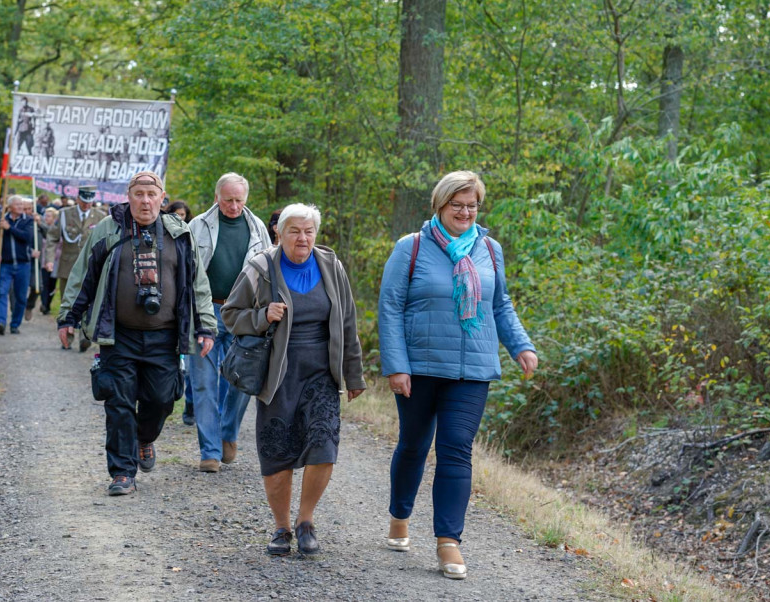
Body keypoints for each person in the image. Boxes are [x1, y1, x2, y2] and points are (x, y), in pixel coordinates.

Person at [378, 170, 537, 579]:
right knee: (414, 445)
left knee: (455, 448)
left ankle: (448, 542)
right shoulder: (411, 247)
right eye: (457, 204)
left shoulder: (490, 249)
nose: (465, 211)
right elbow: (391, 306)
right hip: (421, 367)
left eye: (472, 205)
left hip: (472, 369)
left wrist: (521, 344)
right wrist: (396, 364)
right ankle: (400, 515)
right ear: (440, 205)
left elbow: (499, 304)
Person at [57, 171, 216, 496]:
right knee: (118, 402)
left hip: (165, 337)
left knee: (161, 399)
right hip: (119, 335)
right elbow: (82, 273)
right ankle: (122, 472)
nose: (145, 200)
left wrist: (206, 326)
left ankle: (144, 438)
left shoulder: (178, 232)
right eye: (139, 194)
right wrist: (67, 318)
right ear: (128, 196)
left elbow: (197, 283)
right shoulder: (108, 229)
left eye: (151, 194)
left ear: (162, 198)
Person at [222, 203, 365, 556]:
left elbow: (347, 322)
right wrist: (261, 316)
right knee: (277, 451)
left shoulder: (331, 265)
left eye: (308, 231)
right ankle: (281, 527)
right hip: (278, 373)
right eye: (294, 231)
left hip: (322, 372)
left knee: (324, 447)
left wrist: (354, 372)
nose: (302, 238)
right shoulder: (261, 268)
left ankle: (306, 522)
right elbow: (229, 315)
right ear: (279, 233)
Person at [187, 173, 271, 472]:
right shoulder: (197, 226)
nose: (234, 206)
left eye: (239, 200)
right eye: (228, 200)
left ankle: (228, 433)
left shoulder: (258, 228)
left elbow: (267, 273)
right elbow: (186, 272)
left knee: (243, 380)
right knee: (204, 384)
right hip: (206, 312)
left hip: (243, 314)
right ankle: (209, 450)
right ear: (217, 197)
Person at [44, 185, 107, 351]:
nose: (86, 204)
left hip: (91, 268)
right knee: (68, 300)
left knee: (89, 301)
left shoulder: (101, 217)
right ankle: (68, 334)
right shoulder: (65, 214)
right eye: (84, 201)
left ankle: (84, 336)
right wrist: (50, 260)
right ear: (78, 198)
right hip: (68, 266)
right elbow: (52, 238)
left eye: (89, 201)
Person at [0, 195, 36, 335]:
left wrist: (9, 228)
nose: (20, 206)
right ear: (10, 207)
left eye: (21, 204)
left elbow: (27, 237)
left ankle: (15, 324)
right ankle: (0, 322)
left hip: (23, 265)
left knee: (20, 296)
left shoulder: (28, 221)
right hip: (5, 265)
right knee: (2, 292)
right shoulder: (2, 221)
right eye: (17, 204)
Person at [167, 198, 196, 424]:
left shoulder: (190, 236)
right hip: (170, 313)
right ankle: (188, 403)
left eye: (183, 215)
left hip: (189, 307)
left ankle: (191, 403)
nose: (179, 218)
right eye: (175, 214)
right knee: (185, 367)